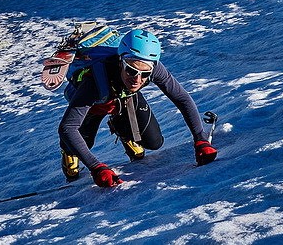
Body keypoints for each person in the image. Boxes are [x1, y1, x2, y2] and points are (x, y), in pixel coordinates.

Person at [58, 28, 218, 187]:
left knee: (154, 142)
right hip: (95, 102)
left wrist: (201, 140)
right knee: (81, 143)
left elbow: (182, 98)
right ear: (121, 61)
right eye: (131, 70)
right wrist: (96, 167)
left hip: (124, 96)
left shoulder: (151, 66)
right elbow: (68, 127)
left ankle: (122, 128)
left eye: (145, 74)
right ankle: (68, 151)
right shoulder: (93, 81)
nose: (137, 79)